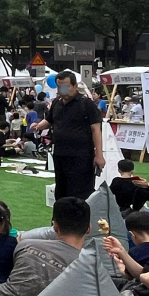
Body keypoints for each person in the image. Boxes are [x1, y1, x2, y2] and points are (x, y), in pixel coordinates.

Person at [31, 72, 104, 200]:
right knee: (61, 191)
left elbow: (96, 130)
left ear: (75, 86)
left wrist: (99, 155)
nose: (62, 91)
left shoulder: (86, 104)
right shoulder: (56, 103)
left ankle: (79, 213)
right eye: (59, 87)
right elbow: (49, 120)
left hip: (81, 156)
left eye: (65, 87)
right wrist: (38, 126)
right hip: (60, 154)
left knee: (80, 192)